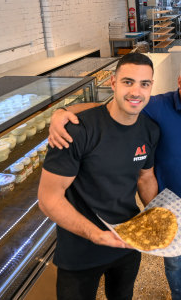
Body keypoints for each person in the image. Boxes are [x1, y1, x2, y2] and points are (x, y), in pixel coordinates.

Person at [48, 55, 181, 300]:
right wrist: (63, 112)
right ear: (179, 82)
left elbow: (147, 177)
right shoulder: (155, 106)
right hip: (155, 212)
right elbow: (113, 106)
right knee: (174, 265)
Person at [37, 53, 160, 300]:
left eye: (144, 84)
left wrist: (157, 217)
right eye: (128, 82)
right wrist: (96, 234)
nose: (136, 91)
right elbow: (48, 198)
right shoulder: (76, 130)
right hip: (80, 251)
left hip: (126, 244)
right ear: (113, 84)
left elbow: (145, 178)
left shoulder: (149, 130)